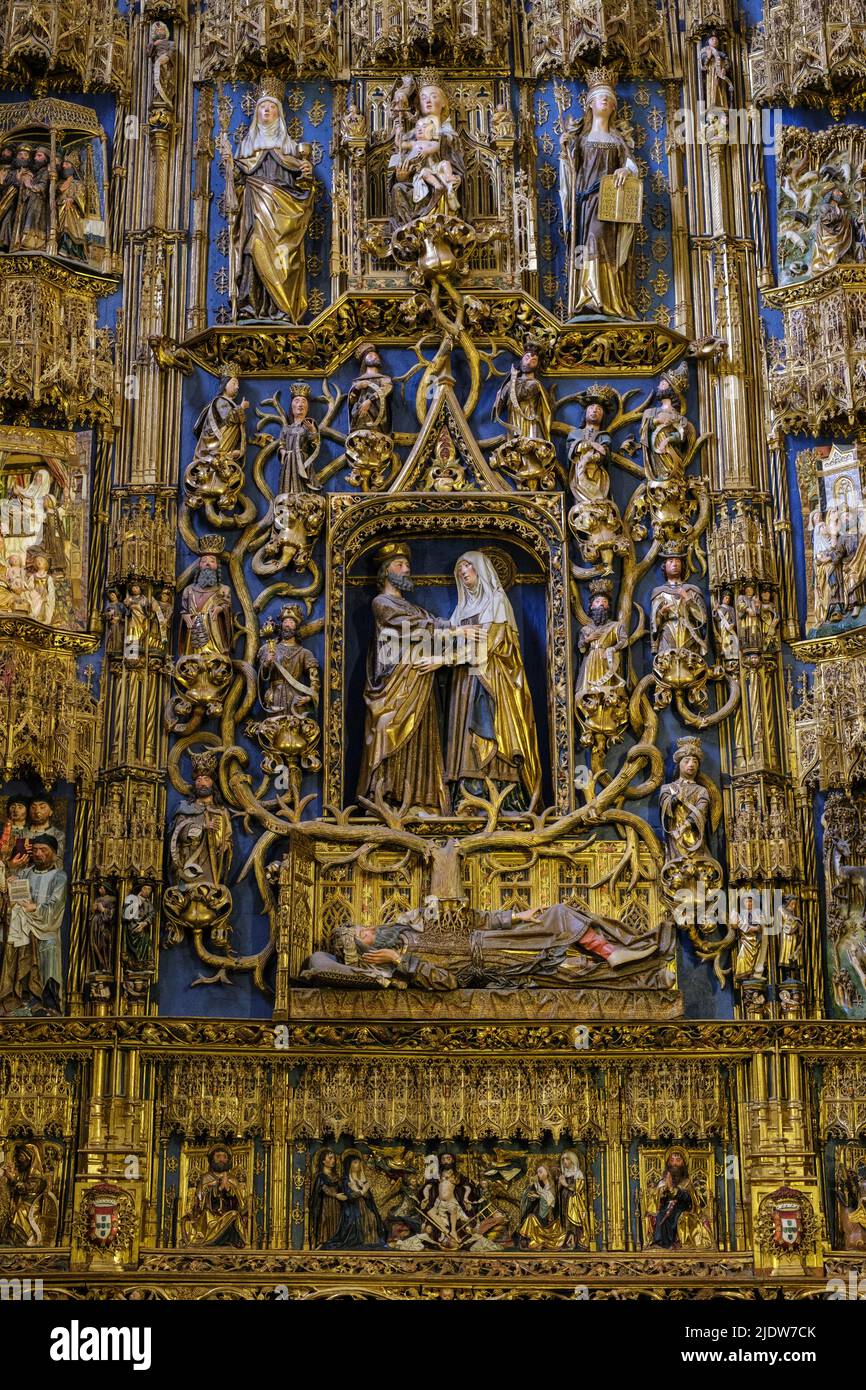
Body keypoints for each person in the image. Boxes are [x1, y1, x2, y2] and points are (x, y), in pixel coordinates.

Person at [302, 897, 661, 991]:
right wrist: (401, 961)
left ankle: (613, 952)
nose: (370, 928)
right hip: (490, 961)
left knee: (558, 914)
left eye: (365, 926)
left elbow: (467, 918)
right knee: (555, 966)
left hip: (489, 935)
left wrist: (516, 917)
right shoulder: (395, 965)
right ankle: (641, 978)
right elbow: (448, 983)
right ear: (365, 952)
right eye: (363, 934)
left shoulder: (408, 924)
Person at [357, 542, 471, 815]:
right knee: (388, 729)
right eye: (400, 565)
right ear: (386, 572)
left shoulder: (412, 607)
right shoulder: (382, 603)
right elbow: (417, 628)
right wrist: (457, 630)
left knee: (421, 737)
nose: (407, 569)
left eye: (407, 565)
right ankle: (385, 799)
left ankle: (421, 800)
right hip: (393, 685)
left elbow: (426, 625)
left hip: (418, 681)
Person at [444, 551, 541, 811]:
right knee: (464, 737)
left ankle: (500, 797)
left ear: (481, 569)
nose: (463, 572)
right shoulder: (461, 608)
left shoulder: (497, 600)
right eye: (459, 568)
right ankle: (466, 798)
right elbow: (447, 640)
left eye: (468, 566)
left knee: (493, 729)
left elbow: (489, 644)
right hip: (464, 681)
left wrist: (443, 659)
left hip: (492, 679)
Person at [223, 89, 314, 320]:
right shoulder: (246, 147)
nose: (267, 109)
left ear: (279, 113)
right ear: (256, 113)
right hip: (254, 210)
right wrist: (230, 166)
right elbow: (237, 184)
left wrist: (306, 172)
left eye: (272, 106)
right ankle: (251, 308)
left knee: (282, 256)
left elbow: (303, 185)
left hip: (284, 213)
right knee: (253, 249)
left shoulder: (290, 147)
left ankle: (281, 308)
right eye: (262, 106)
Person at [559, 72, 639, 317]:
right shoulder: (581, 139)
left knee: (607, 247)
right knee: (589, 243)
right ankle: (587, 295)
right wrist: (566, 150)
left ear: (613, 106)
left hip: (609, 203)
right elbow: (569, 172)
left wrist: (626, 169)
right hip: (586, 202)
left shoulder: (616, 140)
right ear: (590, 104)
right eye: (599, 97)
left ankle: (610, 298)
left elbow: (631, 164)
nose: (604, 101)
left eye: (608, 98)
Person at [0, 834, 66, 1015]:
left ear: (53, 853)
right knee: (19, 951)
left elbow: (56, 903)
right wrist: (9, 884)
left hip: (46, 928)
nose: (38, 854)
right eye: (35, 850)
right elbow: (10, 900)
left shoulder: (59, 876)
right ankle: (23, 1000)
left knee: (49, 953)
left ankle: (49, 1003)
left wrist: (35, 908)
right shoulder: (24, 873)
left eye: (43, 850)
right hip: (24, 927)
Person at [389, 79, 464, 231]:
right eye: (423, 98)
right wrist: (401, 176)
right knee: (398, 188)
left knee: (443, 182)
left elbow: (459, 169)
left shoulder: (450, 136)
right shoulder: (416, 134)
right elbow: (404, 153)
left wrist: (457, 178)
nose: (428, 101)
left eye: (434, 96)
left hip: (441, 180)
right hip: (418, 183)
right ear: (418, 105)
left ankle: (441, 221)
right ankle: (408, 231)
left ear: (444, 103)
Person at [180, 1146, 247, 1247]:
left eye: (224, 1157)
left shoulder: (232, 1179)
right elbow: (199, 1201)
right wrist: (218, 1188)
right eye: (218, 1156)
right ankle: (210, 1240)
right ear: (212, 1159)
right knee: (210, 1215)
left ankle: (229, 1242)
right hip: (209, 1216)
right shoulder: (205, 1178)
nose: (221, 1159)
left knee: (234, 1215)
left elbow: (240, 1204)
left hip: (227, 1215)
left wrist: (229, 1190)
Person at [321, 1155, 386, 1249]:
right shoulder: (345, 1180)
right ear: (349, 1165)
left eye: (359, 1162)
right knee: (355, 1222)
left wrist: (364, 1191)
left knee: (372, 1218)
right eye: (355, 1162)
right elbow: (349, 1196)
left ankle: (370, 1241)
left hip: (365, 1206)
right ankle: (360, 1241)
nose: (358, 1164)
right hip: (352, 1208)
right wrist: (362, 1191)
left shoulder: (362, 1180)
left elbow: (368, 1196)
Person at [649, 1148, 711, 1249]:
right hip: (666, 1209)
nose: (675, 1164)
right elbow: (656, 1200)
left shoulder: (686, 1182)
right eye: (672, 1160)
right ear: (668, 1163)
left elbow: (689, 1199)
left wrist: (673, 1189)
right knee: (661, 1215)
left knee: (679, 1216)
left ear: (683, 1163)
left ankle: (677, 1243)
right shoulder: (662, 1182)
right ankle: (661, 1243)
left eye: (678, 1161)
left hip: (683, 1210)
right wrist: (664, 1190)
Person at [277, 385, 320, 493]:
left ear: (307, 407)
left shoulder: (310, 425)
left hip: (303, 461)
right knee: (288, 485)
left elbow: (315, 445)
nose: (300, 405)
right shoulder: (286, 428)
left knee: (303, 486)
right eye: (296, 401)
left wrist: (313, 431)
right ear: (292, 407)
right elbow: (281, 444)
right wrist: (283, 452)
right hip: (289, 461)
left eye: (303, 401)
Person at [518, 1162, 565, 1249]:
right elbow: (541, 1192)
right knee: (530, 1217)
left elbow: (551, 1199)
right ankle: (528, 1239)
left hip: (547, 1217)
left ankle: (528, 1239)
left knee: (531, 1217)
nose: (538, 1174)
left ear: (547, 1173)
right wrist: (535, 1189)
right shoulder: (544, 1187)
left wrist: (538, 1196)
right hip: (541, 1214)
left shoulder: (551, 1186)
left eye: (540, 1172)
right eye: (537, 1172)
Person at [308, 1149, 347, 1248]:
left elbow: (342, 1188)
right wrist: (336, 1195)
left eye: (334, 1158)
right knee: (325, 1221)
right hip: (325, 1204)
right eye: (330, 1158)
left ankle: (336, 1242)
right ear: (323, 1161)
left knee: (337, 1222)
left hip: (337, 1205)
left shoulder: (336, 1176)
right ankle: (323, 1242)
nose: (333, 1160)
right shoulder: (320, 1176)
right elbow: (324, 1188)